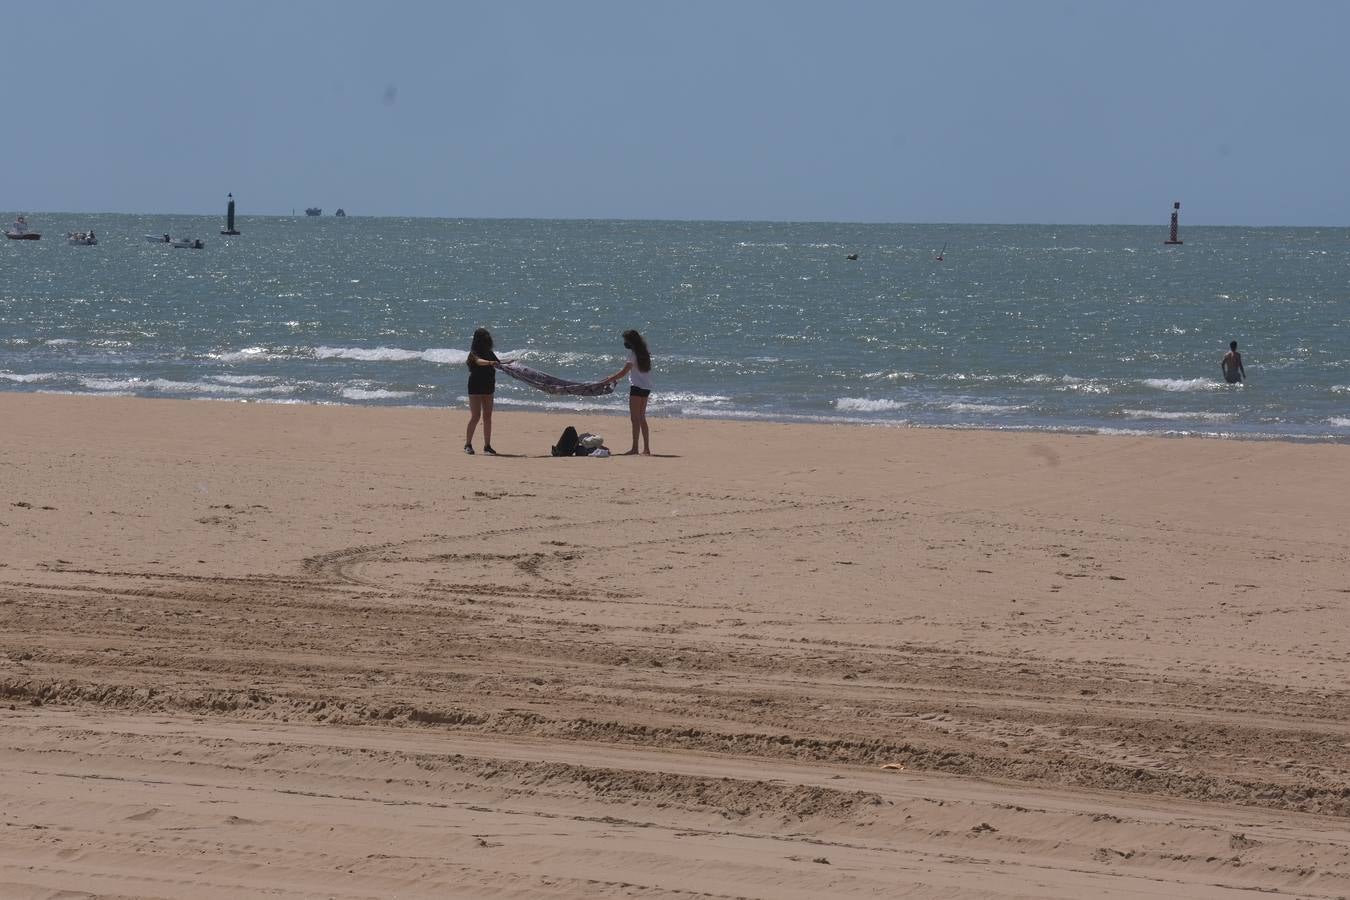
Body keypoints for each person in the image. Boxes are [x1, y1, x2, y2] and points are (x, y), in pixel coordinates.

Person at [604, 329, 653, 455]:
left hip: (636, 388)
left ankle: (635, 448)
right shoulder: (645, 352)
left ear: (631, 341)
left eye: (626, 340)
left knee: (634, 419)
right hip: (646, 388)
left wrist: (609, 379)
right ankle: (646, 448)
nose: (625, 342)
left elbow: (623, 372)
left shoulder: (633, 354)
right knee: (642, 418)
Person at [464, 328, 501, 455]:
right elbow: (478, 362)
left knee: (487, 416)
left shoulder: (489, 352)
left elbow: (498, 363)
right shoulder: (473, 353)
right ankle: (468, 444)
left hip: (488, 385)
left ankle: (487, 446)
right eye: (485, 336)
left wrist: (510, 362)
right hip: (475, 386)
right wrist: (491, 362)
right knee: (475, 416)